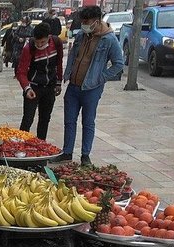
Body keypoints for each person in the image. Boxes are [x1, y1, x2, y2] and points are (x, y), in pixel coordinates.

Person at [59, 6, 124, 164]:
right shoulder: (82, 35)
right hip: (73, 86)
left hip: (91, 89)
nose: (83, 24)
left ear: (97, 21)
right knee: (69, 121)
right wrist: (67, 74)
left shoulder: (108, 39)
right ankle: (67, 152)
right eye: (82, 21)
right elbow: (73, 56)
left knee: (88, 122)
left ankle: (85, 155)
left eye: (86, 22)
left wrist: (101, 78)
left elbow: (118, 64)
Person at [16, 23, 63, 140]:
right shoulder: (29, 48)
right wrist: (27, 88)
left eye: (42, 42)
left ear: (49, 37)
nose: (39, 45)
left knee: (45, 118)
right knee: (28, 118)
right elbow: (21, 72)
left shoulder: (56, 43)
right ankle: (20, 144)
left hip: (49, 87)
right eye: (37, 42)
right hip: (33, 87)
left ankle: (41, 145)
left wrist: (58, 82)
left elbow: (59, 63)